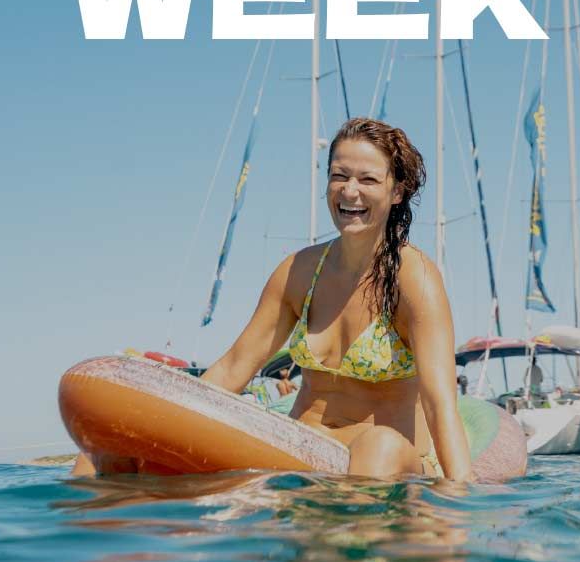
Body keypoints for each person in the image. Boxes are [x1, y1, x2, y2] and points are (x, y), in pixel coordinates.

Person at [202, 118, 472, 481]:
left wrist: (461, 500)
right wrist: (160, 421)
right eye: (339, 176)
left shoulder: (413, 279)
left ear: (397, 192)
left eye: (368, 179)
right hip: (306, 449)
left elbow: (440, 404)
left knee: (379, 446)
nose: (350, 191)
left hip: (387, 463)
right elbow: (234, 368)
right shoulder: (299, 271)